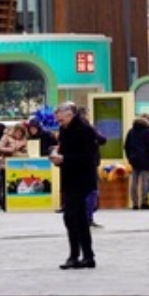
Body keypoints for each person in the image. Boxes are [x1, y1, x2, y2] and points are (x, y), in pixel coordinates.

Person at [50, 103, 102, 270]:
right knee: (78, 218)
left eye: (60, 117)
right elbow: (65, 151)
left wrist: (64, 159)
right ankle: (87, 256)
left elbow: (87, 158)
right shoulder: (64, 130)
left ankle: (75, 256)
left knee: (71, 217)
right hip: (69, 178)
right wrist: (58, 158)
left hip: (82, 179)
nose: (58, 121)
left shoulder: (84, 130)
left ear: (70, 114)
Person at [123, 113, 149, 210]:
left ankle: (134, 203)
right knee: (144, 181)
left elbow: (126, 146)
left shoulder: (131, 131)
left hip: (134, 159)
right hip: (145, 158)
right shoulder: (148, 131)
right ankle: (144, 203)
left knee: (134, 181)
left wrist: (129, 157)